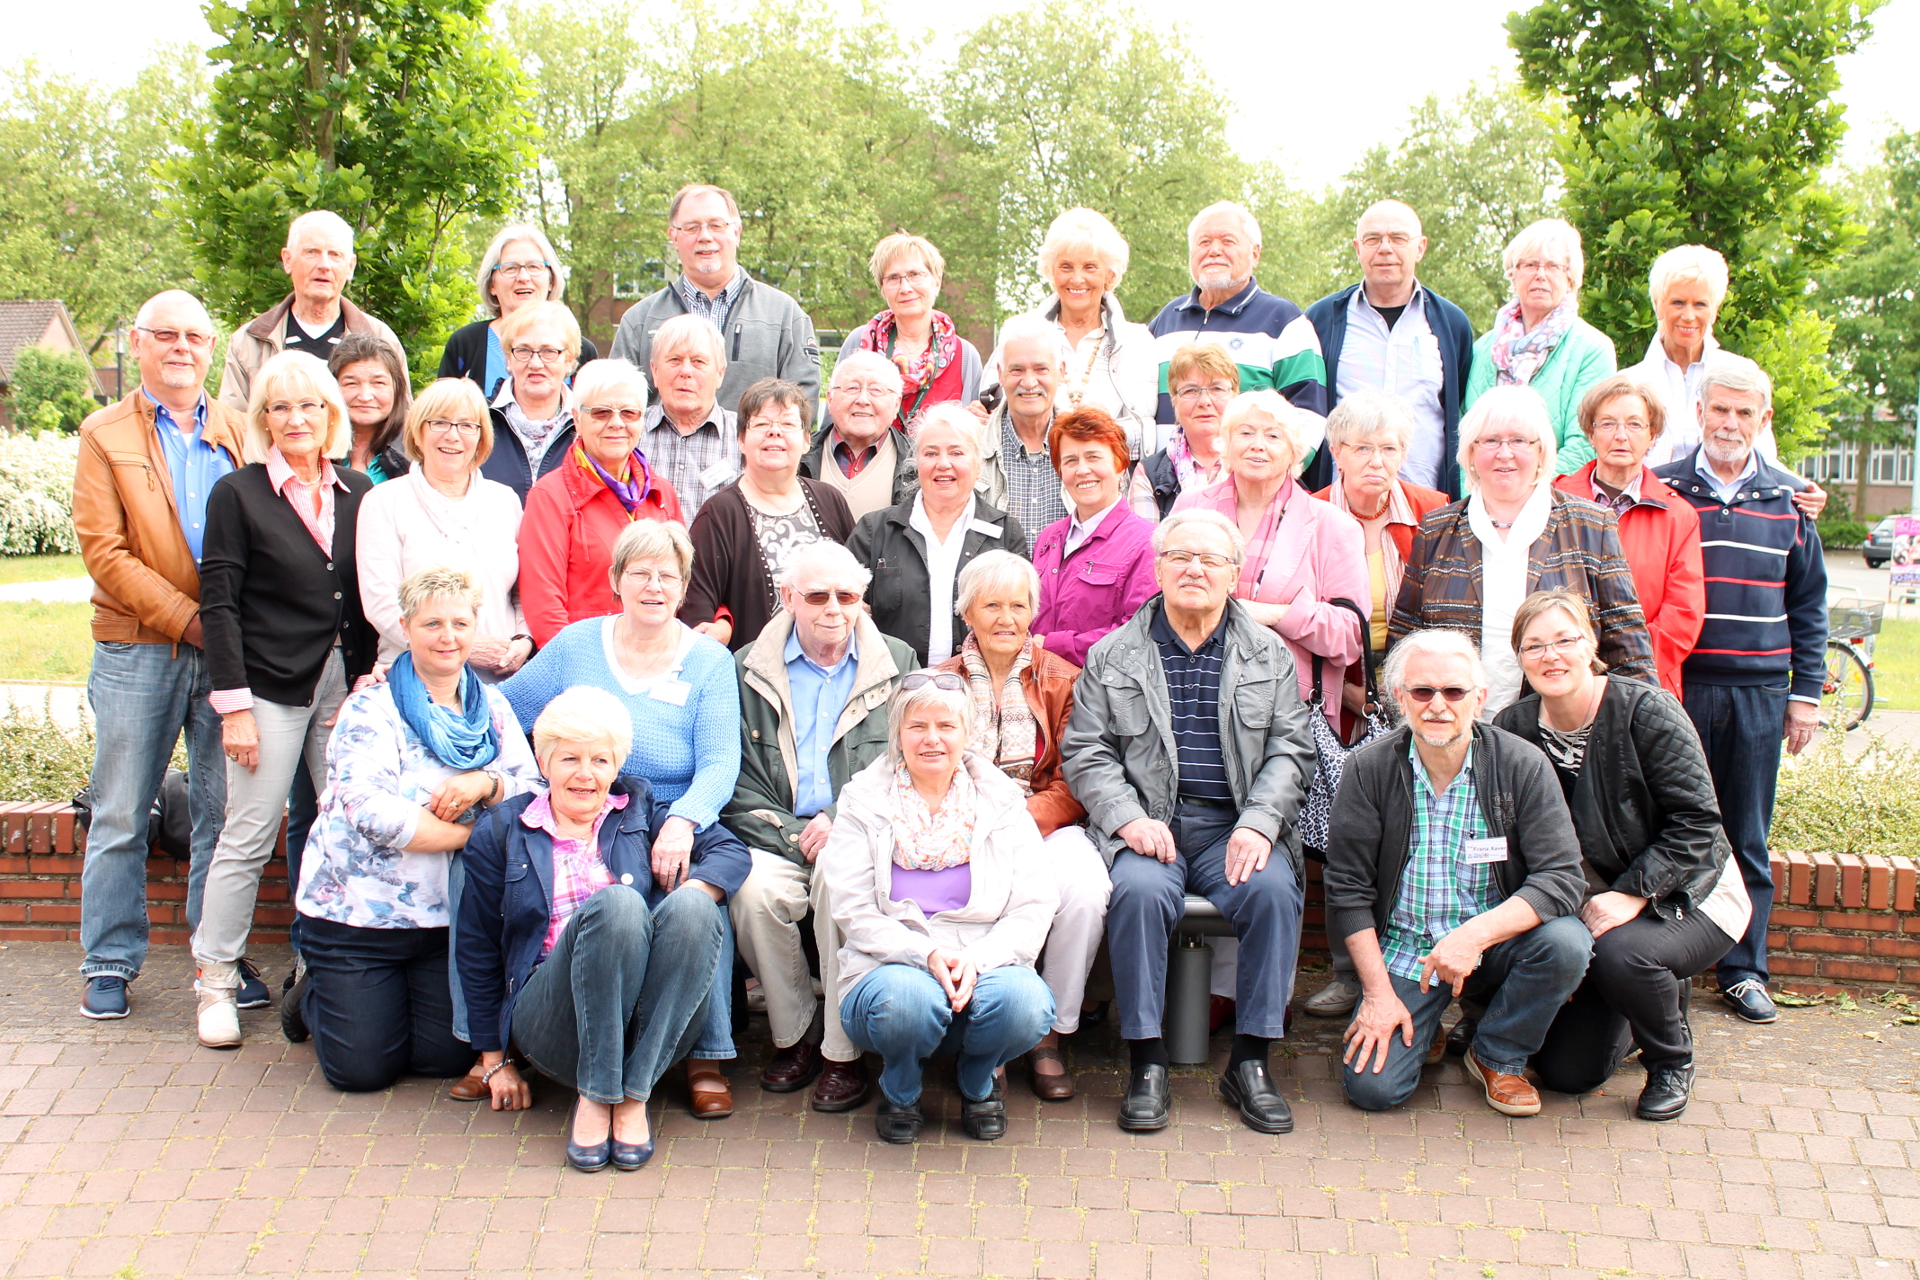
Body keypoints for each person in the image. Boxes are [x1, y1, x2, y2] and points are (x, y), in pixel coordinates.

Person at [1062, 509, 1317, 1136]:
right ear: (1157, 567)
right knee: (1140, 894)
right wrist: (1125, 820)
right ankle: (1146, 1062)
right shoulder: (1114, 655)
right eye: (1180, 556)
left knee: (1271, 892)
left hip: (1236, 825)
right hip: (1152, 825)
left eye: (1210, 559)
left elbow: (1291, 750)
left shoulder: (1268, 654)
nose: (1194, 569)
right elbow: (1086, 752)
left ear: (1234, 574)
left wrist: (1259, 824)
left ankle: (1252, 1062)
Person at [504, 520, 745, 1114]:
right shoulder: (577, 646)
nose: (655, 585)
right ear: (616, 580)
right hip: (594, 807)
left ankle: (706, 1055)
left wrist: (684, 821)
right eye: (640, 572)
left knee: (696, 898)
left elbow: (720, 762)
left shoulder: (709, 661)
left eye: (668, 575)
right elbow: (507, 708)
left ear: (685, 584)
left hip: (675, 813)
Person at [459, 688, 750, 1172]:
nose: (585, 773)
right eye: (569, 758)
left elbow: (731, 852)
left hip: (647, 1023)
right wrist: (495, 1059)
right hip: (553, 1018)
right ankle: (596, 1095)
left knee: (695, 908)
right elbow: (476, 946)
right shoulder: (502, 831)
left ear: (617, 766)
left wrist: (692, 886)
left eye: (600, 759)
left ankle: (632, 1096)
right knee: (616, 904)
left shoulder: (639, 813)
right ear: (544, 759)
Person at [1493, 590, 1749, 1122]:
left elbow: (1698, 823)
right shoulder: (1514, 727)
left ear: (1591, 645)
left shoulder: (1647, 711)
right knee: (1568, 1074)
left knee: (1623, 956)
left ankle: (1671, 1060)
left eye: (1565, 640)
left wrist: (1632, 892)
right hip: (1586, 907)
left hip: (1688, 891)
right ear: (1519, 657)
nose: (1551, 656)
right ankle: (1646, 1004)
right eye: (1534, 645)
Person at [291, 567, 542, 1090]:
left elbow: (536, 792)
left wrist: (487, 785)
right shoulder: (372, 706)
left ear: (475, 627)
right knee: (364, 1072)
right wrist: (474, 837)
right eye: (431, 624)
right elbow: (370, 812)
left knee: (444, 1059)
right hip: (358, 918)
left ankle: (373, 1007)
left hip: (444, 923)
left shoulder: (492, 707)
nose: (447, 637)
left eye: (459, 622)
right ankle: (312, 996)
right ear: (406, 627)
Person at [192, 351, 379, 1048]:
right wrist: (234, 705)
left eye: (308, 406)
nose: (295, 419)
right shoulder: (237, 494)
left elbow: (371, 594)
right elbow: (219, 605)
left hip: (346, 689)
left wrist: (371, 672)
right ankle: (214, 981)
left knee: (347, 831)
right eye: (279, 407)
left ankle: (323, 964)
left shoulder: (359, 490)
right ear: (263, 418)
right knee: (247, 834)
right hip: (268, 688)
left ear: (330, 414)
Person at [1325, 628, 1591, 1117]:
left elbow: (1562, 878)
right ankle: (1423, 1024)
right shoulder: (1368, 768)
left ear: (1480, 698)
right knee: (1373, 1092)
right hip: (1408, 950)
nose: (1438, 705)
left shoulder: (1521, 764)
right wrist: (1378, 995)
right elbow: (1347, 891)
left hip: (1492, 943)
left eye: (1454, 691)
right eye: (1423, 691)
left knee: (1567, 943)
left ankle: (1496, 1053)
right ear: (1399, 697)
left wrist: (1472, 937)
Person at [71, 290, 245, 1021]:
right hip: (138, 648)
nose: (181, 348)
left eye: (194, 337)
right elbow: (105, 553)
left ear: (211, 348)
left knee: (219, 813)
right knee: (119, 811)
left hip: (226, 657)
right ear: (138, 345)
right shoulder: (103, 433)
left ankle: (217, 962)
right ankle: (109, 961)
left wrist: (229, 633)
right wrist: (194, 622)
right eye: (165, 336)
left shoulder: (240, 429)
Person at [1652, 355, 1829, 1027]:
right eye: (1718, 409)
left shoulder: (1790, 500)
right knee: (1672, 825)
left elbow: (1809, 606)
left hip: (1757, 690)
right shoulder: (1667, 488)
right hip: (1681, 687)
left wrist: (1804, 695)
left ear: (1765, 419)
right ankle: (1665, 966)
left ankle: (1744, 969)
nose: (1729, 422)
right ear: (1699, 413)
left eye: (1743, 412)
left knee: (1746, 834)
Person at [820, 676, 1060, 1144]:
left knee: (1027, 1004)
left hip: (982, 964)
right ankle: (901, 1087)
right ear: (898, 735)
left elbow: (1034, 904)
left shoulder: (1004, 803)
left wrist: (978, 959)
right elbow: (852, 909)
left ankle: (978, 1078)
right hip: (888, 969)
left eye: (946, 725)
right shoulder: (863, 800)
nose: (932, 738)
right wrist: (923, 954)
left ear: (966, 734)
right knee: (908, 1000)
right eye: (918, 726)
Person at [723, 543, 915, 1113]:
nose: (833, 608)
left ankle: (841, 1052)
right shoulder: (746, 668)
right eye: (817, 596)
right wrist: (793, 835)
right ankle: (796, 1036)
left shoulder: (898, 663)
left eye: (847, 596)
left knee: (838, 877)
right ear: (788, 598)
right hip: (772, 830)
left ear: (863, 602)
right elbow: (732, 777)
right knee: (754, 893)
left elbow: (907, 764)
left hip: (858, 830)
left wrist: (842, 820)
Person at [1298, 389, 1450, 1020]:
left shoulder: (1434, 514)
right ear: (1336, 452)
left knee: (1414, 832)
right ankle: (1345, 971)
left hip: (1414, 694)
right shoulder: (1304, 516)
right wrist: (1354, 686)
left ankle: (1409, 968)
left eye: (1390, 449)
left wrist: (1401, 692)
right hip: (1334, 692)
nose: (1376, 462)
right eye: (1361, 448)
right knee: (1348, 835)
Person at [936, 551, 1107, 1101]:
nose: (1007, 618)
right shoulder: (941, 681)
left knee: (1084, 891)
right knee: (970, 897)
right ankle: (987, 1034)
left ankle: (1049, 1034)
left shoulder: (1064, 680)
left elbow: (1078, 775)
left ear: (1034, 610)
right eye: (992, 605)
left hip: (1043, 820)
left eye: (1018, 605)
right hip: (962, 823)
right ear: (967, 613)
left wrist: (1021, 820)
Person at [1390, 386, 1656, 712]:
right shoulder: (1436, 529)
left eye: (1519, 440)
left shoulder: (1591, 525)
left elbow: (1627, 642)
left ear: (1542, 452)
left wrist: (1639, 727)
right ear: (1471, 453)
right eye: (1490, 441)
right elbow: (1404, 640)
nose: (1505, 453)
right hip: (1457, 731)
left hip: (1562, 732)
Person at [1172, 391, 1367, 732]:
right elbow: (1159, 595)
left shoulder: (1333, 526)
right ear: (1226, 444)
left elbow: (1350, 638)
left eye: (1273, 435)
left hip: (1288, 718)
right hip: (1191, 702)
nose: (1257, 445)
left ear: (1294, 451)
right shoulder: (1190, 507)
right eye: (1245, 433)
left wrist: (1276, 615)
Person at [355, 378, 531, 681]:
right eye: (440, 423)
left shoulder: (505, 501)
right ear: (418, 431)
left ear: (481, 437)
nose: (453, 436)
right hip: (417, 677)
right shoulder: (383, 501)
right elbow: (381, 603)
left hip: (499, 679)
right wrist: (465, 646)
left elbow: (523, 591)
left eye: (466, 425)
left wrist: (524, 640)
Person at [1630, 245, 1824, 512]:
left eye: (1700, 304)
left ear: (1715, 310)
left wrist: (1803, 490)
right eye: (1678, 302)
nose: (1689, 315)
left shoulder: (1743, 374)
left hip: (1723, 514)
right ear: (1657, 305)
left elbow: (1762, 457)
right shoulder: (1630, 382)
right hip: (1652, 514)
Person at [1146, 201, 1330, 482]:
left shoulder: (1285, 322)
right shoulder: (1165, 322)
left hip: (1249, 496)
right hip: (1165, 492)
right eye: (1204, 242)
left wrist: (1263, 486)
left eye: (1227, 241)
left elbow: (1309, 419)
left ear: (1254, 253)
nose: (1214, 250)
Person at [1306, 200, 1477, 498]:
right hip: (1340, 503)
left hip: (1425, 503)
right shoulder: (1322, 320)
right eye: (1373, 239)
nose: (1385, 248)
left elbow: (1458, 404)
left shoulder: (1452, 324)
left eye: (1398, 238)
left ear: (1420, 247)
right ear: (1358, 248)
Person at [1551, 376, 1704, 697]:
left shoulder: (1678, 515)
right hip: (1561, 678)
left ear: (1652, 436)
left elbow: (1683, 615)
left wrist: (1625, 669)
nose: (1621, 435)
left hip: (1647, 685)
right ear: (1590, 433)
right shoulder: (1553, 501)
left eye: (1635, 424)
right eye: (1607, 423)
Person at [610, 183, 820, 414]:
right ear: (674, 237)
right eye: (691, 228)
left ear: (736, 232)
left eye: (716, 225)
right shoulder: (639, 320)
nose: (705, 236)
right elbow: (617, 404)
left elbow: (802, 406)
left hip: (751, 451)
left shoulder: (785, 316)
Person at [680, 379, 857, 652]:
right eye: (761, 424)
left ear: (807, 440)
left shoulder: (830, 500)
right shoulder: (719, 514)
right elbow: (697, 613)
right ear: (740, 439)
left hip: (832, 672)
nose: (774, 432)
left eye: (787, 424)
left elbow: (856, 589)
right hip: (753, 681)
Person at [517, 358, 682, 648]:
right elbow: (544, 609)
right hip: (583, 665)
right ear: (577, 419)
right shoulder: (551, 496)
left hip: (655, 659)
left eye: (629, 413)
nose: (616, 423)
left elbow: (678, 588)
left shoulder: (661, 494)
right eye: (601, 412)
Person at [850, 404, 1029, 666]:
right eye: (931, 453)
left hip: (977, 690)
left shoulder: (1005, 533)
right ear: (916, 463)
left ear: (978, 465)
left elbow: (1019, 620)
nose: (943, 464)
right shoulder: (875, 529)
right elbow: (845, 608)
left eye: (957, 453)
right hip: (893, 685)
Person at [991, 208, 1156, 458]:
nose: (1077, 279)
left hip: (1105, 484)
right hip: (1030, 482)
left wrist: (1086, 440)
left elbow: (1145, 432)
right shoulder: (1018, 335)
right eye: (1066, 267)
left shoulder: (1137, 342)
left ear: (1109, 273)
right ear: (1052, 271)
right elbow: (992, 413)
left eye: (1090, 267)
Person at [1462, 218, 1616, 476]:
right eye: (1530, 264)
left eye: (1553, 266)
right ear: (1513, 274)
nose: (1540, 275)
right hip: (1479, 499)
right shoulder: (1482, 348)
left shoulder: (1593, 349)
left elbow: (1585, 442)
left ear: (1570, 278)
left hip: (1552, 501)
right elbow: (1466, 436)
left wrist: (1526, 493)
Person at [219, 210, 410, 413]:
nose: (324, 265)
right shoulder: (249, 342)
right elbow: (232, 427)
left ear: (350, 267)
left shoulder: (381, 338)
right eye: (311, 252)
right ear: (287, 260)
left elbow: (403, 424)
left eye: (335, 255)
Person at [1029, 407, 1159, 666]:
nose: (1082, 470)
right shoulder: (1048, 538)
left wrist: (1054, 645)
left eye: (1093, 457)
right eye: (1070, 461)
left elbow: (1139, 634)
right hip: (1036, 690)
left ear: (1121, 465)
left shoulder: (1147, 543)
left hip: (1100, 696)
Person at [837, 233, 983, 433]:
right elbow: (835, 421)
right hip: (870, 463)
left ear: (937, 282)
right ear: (883, 288)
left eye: (915, 275)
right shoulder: (860, 344)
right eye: (893, 278)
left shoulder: (965, 356)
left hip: (937, 464)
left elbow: (971, 439)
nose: (905, 288)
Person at [438, 222, 599, 402]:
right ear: (491, 284)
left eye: (534, 267)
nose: (523, 277)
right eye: (510, 268)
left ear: (551, 280)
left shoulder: (581, 351)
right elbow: (443, 416)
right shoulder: (465, 345)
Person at [976, 315, 1071, 540]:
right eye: (1017, 370)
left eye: (1041, 369)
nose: (1029, 383)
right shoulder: (972, 449)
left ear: (1061, 372)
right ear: (1000, 373)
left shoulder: (1089, 448)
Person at [478, 301, 584, 502]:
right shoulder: (478, 420)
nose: (535, 363)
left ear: (569, 360)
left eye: (549, 352)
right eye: (524, 351)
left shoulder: (588, 426)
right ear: (509, 358)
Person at [640, 314, 741, 520]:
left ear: (720, 373)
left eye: (698, 361)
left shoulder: (746, 436)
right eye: (674, 360)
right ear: (655, 371)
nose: (686, 371)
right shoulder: (629, 432)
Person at [800, 351, 917, 520]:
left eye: (876, 390)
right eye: (852, 388)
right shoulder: (798, 456)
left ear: (896, 404)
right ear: (830, 399)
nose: (863, 400)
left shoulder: (918, 463)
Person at [1130, 343, 1237, 520]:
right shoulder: (1148, 474)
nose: (1205, 401)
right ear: (1174, 401)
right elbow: (1147, 545)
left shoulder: (1256, 462)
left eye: (1217, 388)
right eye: (1191, 390)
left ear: (1235, 395)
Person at [330, 333, 411, 482]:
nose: (365, 396)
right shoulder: (316, 448)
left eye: (378, 383)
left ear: (397, 388)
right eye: (351, 383)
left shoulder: (418, 451)